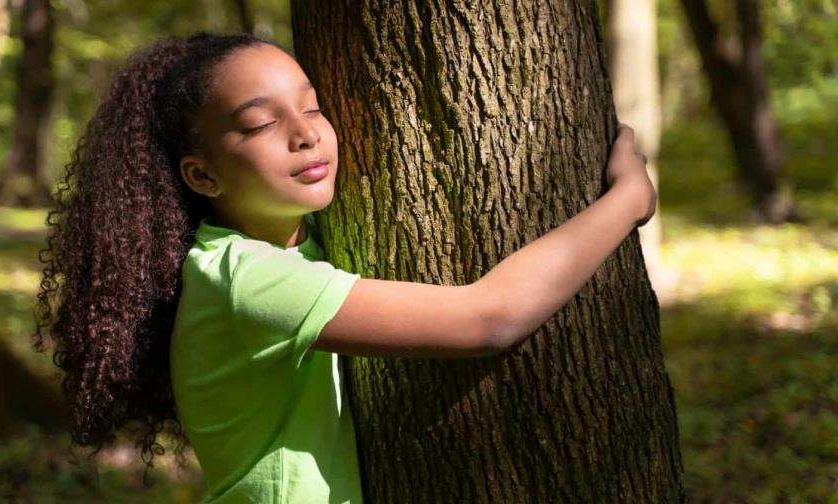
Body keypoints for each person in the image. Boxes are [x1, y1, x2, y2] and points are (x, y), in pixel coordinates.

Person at [34, 32, 656, 504]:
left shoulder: (288, 246)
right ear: (202, 175)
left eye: (314, 108)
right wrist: (626, 202)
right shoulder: (245, 279)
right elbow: (488, 318)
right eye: (260, 123)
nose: (305, 134)